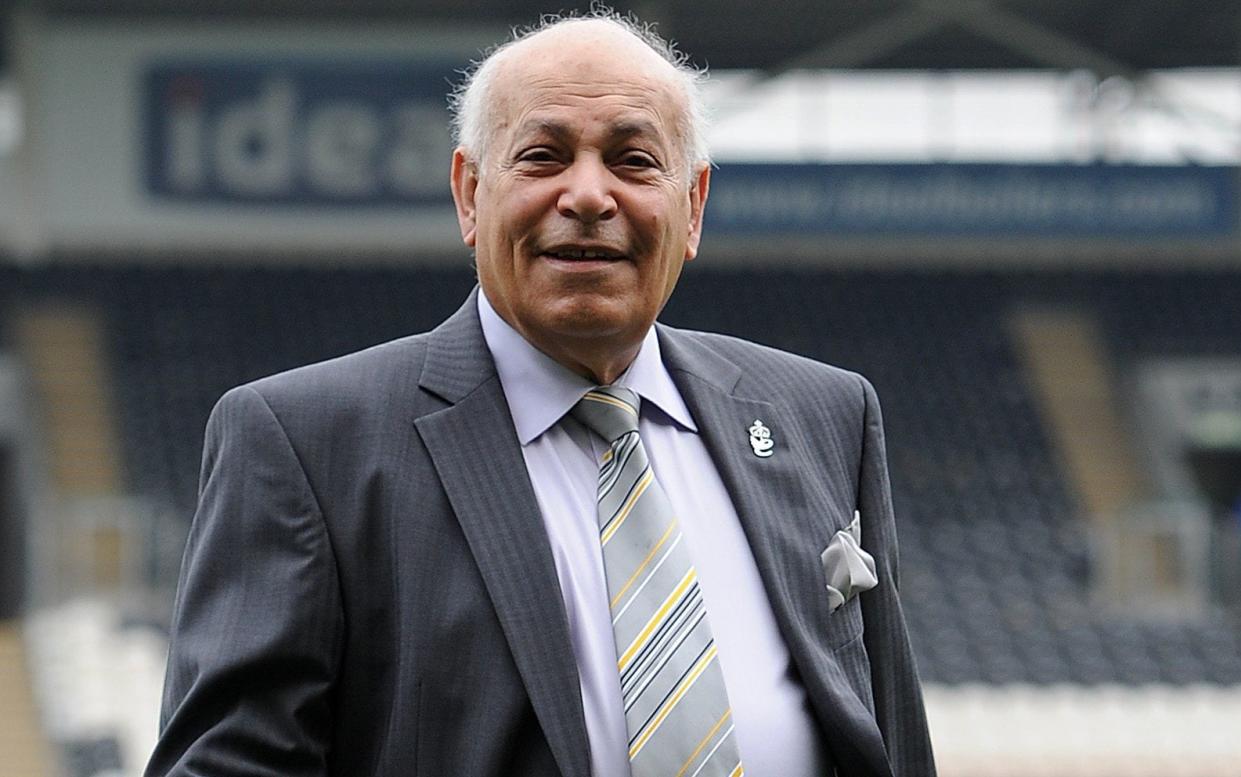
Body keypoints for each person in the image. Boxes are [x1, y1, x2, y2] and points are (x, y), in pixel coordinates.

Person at [146, 10, 935, 777]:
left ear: (692, 207)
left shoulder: (822, 414)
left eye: (632, 160)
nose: (589, 195)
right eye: (542, 156)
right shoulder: (304, 442)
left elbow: (891, 736)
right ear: (468, 193)